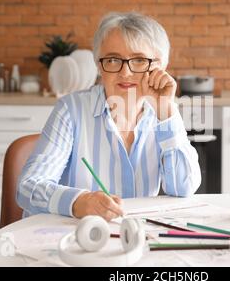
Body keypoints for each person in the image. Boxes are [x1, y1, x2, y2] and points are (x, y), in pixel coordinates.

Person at [16, 12, 201, 221]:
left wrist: (165, 112)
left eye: (139, 60)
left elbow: (182, 188)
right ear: (99, 65)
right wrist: (78, 202)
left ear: (160, 66)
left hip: (138, 241)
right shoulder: (71, 110)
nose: (125, 73)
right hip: (77, 240)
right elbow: (28, 187)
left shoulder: (162, 114)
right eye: (113, 60)